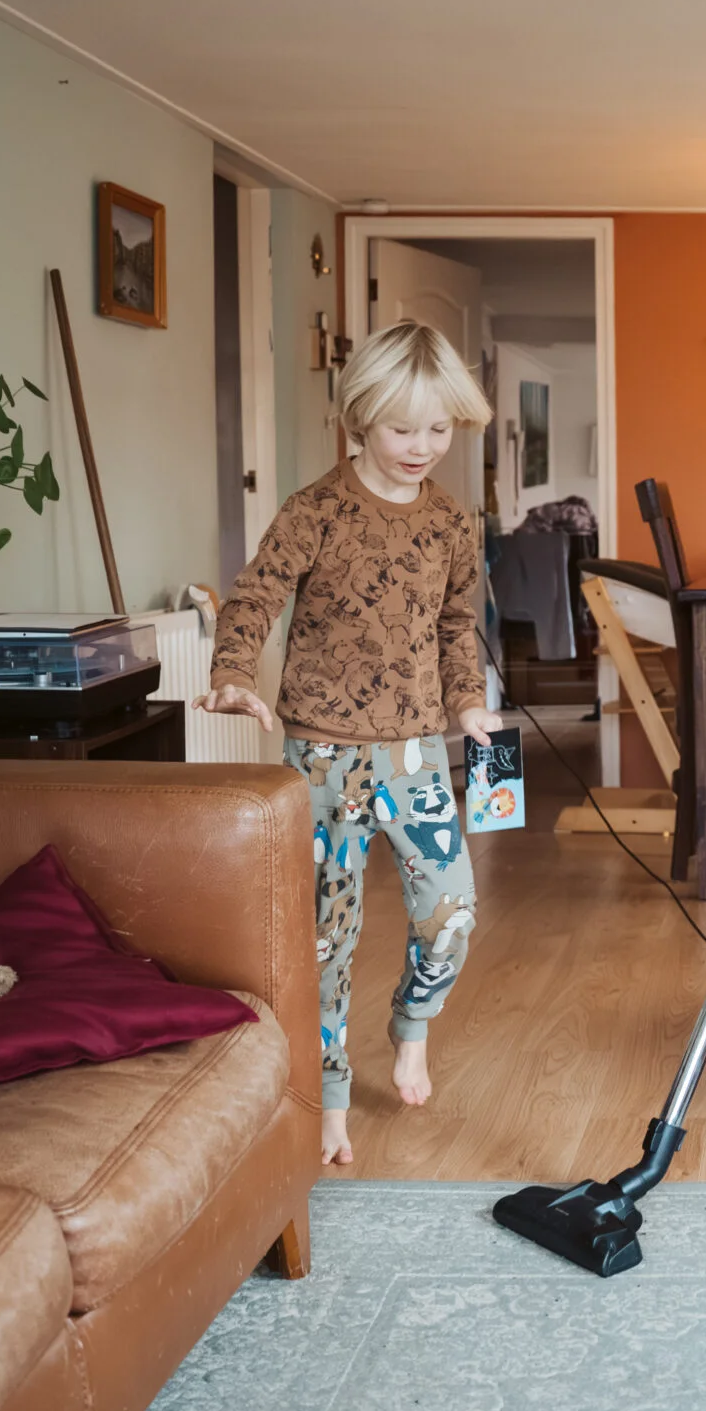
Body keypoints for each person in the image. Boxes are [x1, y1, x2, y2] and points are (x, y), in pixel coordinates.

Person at [198, 321, 504, 1168]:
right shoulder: (315, 511)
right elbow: (254, 598)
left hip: (416, 754)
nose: (422, 446)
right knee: (326, 936)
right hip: (322, 755)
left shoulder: (450, 520)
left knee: (453, 911)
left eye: (439, 428)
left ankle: (412, 1025)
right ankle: (330, 1094)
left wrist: (470, 706)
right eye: (403, 427)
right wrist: (233, 671)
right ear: (358, 417)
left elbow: (454, 623)